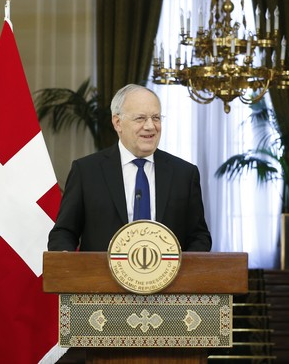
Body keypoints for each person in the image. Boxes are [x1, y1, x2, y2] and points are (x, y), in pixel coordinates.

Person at [48, 84, 211, 252]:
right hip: (101, 277)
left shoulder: (184, 174)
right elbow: (64, 232)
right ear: (118, 123)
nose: (150, 126)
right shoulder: (87, 172)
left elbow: (199, 236)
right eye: (140, 118)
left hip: (168, 277)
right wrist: (66, 264)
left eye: (156, 118)